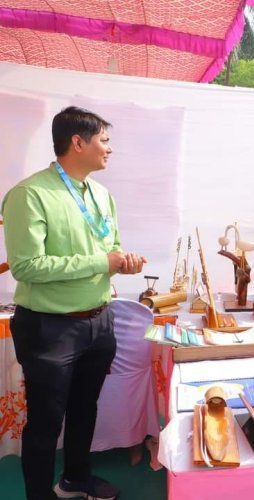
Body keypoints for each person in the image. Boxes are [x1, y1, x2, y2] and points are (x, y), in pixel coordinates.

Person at [1, 106, 147, 500]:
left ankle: (76, 480)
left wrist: (122, 262)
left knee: (85, 409)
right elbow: (27, 266)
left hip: (99, 323)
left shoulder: (102, 195)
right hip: (50, 328)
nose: (109, 149)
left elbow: (109, 248)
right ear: (77, 142)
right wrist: (103, 262)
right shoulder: (29, 195)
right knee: (45, 423)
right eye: (104, 139)